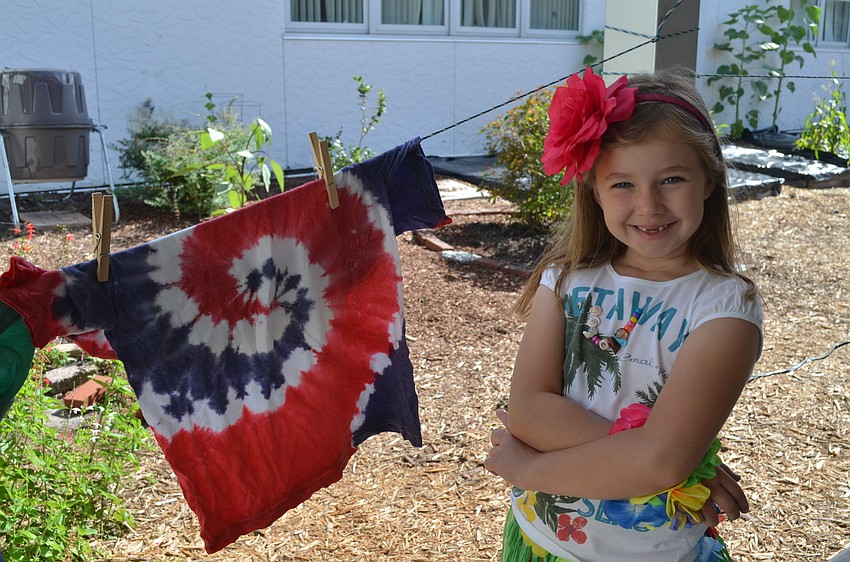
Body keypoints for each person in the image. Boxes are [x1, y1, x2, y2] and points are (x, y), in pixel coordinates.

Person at [483, 67, 763, 562]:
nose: (648, 205)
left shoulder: (724, 307)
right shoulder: (565, 280)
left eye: (671, 179)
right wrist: (681, 462)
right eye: (623, 184)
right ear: (593, 188)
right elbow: (527, 410)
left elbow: (658, 460)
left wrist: (526, 467)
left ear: (709, 181)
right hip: (539, 539)